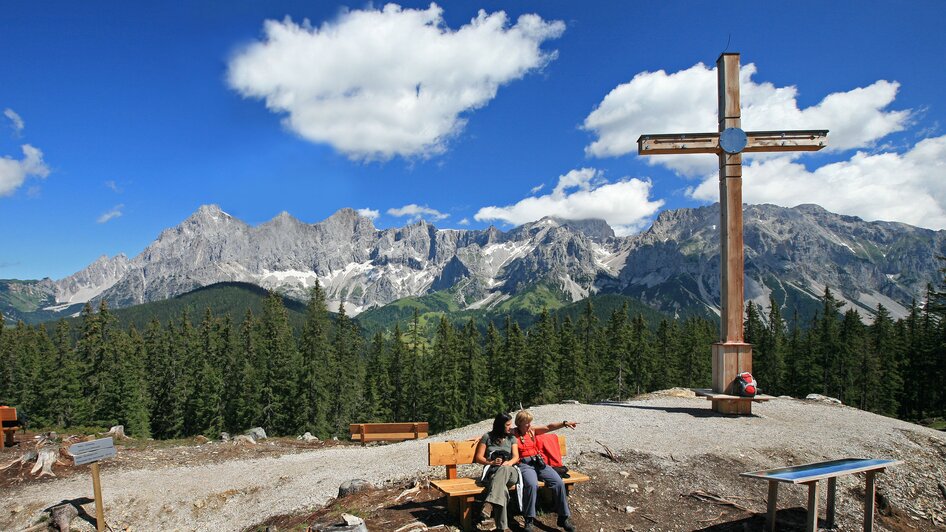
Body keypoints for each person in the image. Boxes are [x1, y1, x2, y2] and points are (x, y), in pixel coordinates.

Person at [514, 410, 577, 532]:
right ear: (519, 423)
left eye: (530, 422)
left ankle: (563, 517)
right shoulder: (512, 433)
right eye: (526, 423)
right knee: (531, 484)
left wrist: (564, 423)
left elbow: (549, 427)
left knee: (558, 482)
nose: (529, 425)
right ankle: (529, 520)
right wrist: (479, 438)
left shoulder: (532, 431)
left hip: (539, 463)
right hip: (524, 465)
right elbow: (495, 433)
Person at [474, 413, 521, 531]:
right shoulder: (487, 437)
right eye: (507, 425)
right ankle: (502, 528)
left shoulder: (512, 438)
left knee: (504, 470)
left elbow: (516, 457)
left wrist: (508, 463)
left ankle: (489, 503)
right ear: (500, 425)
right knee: (502, 490)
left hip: (511, 473)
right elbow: (479, 458)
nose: (510, 427)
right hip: (493, 472)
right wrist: (491, 463)